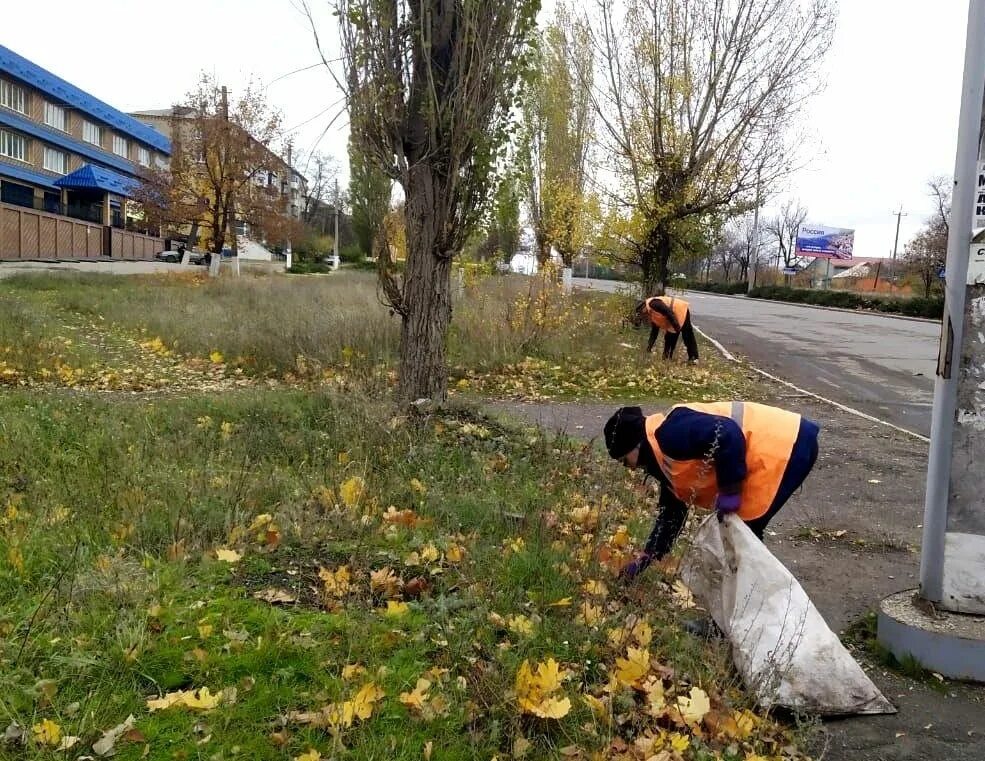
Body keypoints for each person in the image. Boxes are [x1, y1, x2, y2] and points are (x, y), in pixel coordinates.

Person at [602, 401, 819, 581]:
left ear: (635, 445)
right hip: (782, 446)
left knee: (740, 542)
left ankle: (742, 617)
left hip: (783, 446)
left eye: (624, 460)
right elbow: (672, 516)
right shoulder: (661, 459)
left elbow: (727, 434)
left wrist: (730, 491)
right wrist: (645, 559)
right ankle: (740, 615)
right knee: (739, 541)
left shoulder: (670, 433)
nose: (628, 468)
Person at [631, 296, 699, 363]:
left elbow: (668, 312)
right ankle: (666, 358)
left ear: (643, 307)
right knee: (669, 337)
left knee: (687, 335)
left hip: (680, 310)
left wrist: (676, 328)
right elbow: (654, 332)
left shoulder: (653, 304)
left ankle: (694, 358)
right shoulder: (651, 312)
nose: (643, 316)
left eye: (641, 313)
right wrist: (649, 348)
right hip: (673, 316)